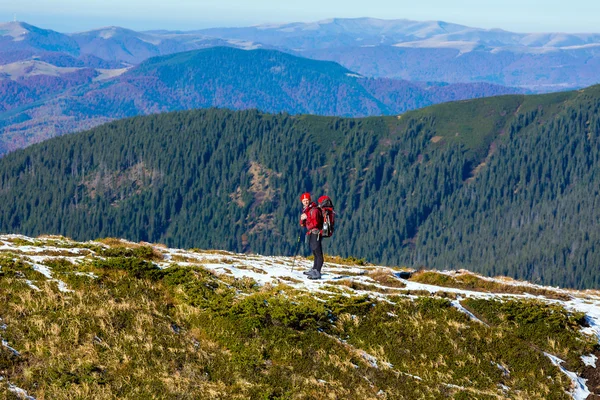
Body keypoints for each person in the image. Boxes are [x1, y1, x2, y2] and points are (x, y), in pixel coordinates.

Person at [299, 192, 324, 279]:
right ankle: (314, 269)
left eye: (307, 200)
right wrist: (303, 220)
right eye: (304, 200)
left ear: (310, 200)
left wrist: (307, 217)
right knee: (314, 251)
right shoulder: (307, 210)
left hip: (316, 232)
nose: (305, 202)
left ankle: (317, 272)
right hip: (311, 232)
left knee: (318, 252)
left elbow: (315, 222)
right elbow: (305, 223)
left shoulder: (314, 209)